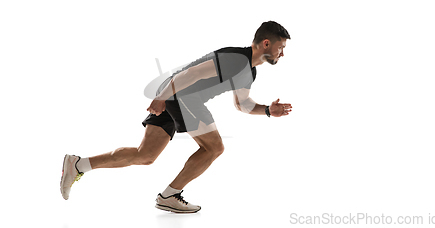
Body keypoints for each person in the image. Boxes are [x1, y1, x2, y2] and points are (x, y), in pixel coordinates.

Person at [60, 21, 293, 213]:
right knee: (214, 148)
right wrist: (162, 97)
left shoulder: (248, 71)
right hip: (181, 95)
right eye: (281, 47)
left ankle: (78, 164)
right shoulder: (236, 59)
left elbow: (242, 104)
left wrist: (266, 111)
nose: (282, 53)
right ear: (266, 43)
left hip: (176, 94)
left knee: (146, 155)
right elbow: (191, 74)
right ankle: (169, 195)